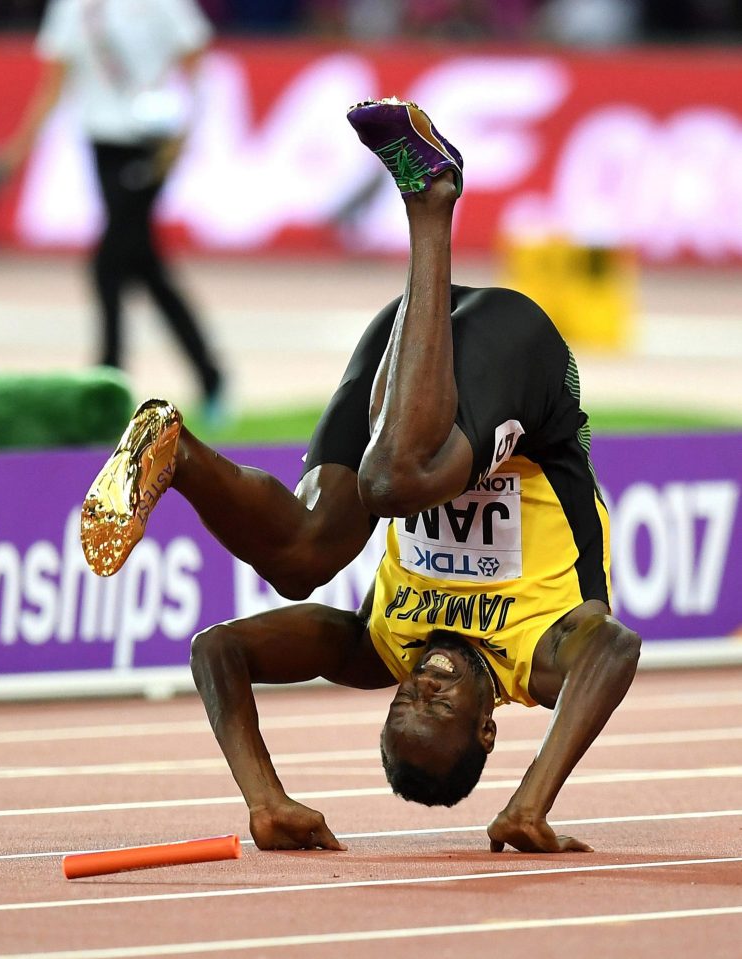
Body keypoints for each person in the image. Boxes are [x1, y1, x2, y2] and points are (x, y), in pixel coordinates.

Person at [80, 97, 641, 854]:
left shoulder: (384, 645)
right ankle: (430, 197)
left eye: (403, 703)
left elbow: (219, 649)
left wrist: (264, 796)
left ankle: (174, 451)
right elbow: (617, 649)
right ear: (486, 724)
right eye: (436, 707)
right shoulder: (542, 654)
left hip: (410, 347)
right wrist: (529, 802)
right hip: (521, 362)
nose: (421, 687)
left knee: (303, 558)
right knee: (393, 483)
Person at [0, 0, 224, 415]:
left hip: (151, 144)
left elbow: (197, 61)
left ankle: (107, 380)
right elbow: (54, 85)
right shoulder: (71, 8)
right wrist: (14, 156)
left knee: (108, 262)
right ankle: (210, 377)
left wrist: (185, 131)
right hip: (102, 145)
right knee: (143, 264)